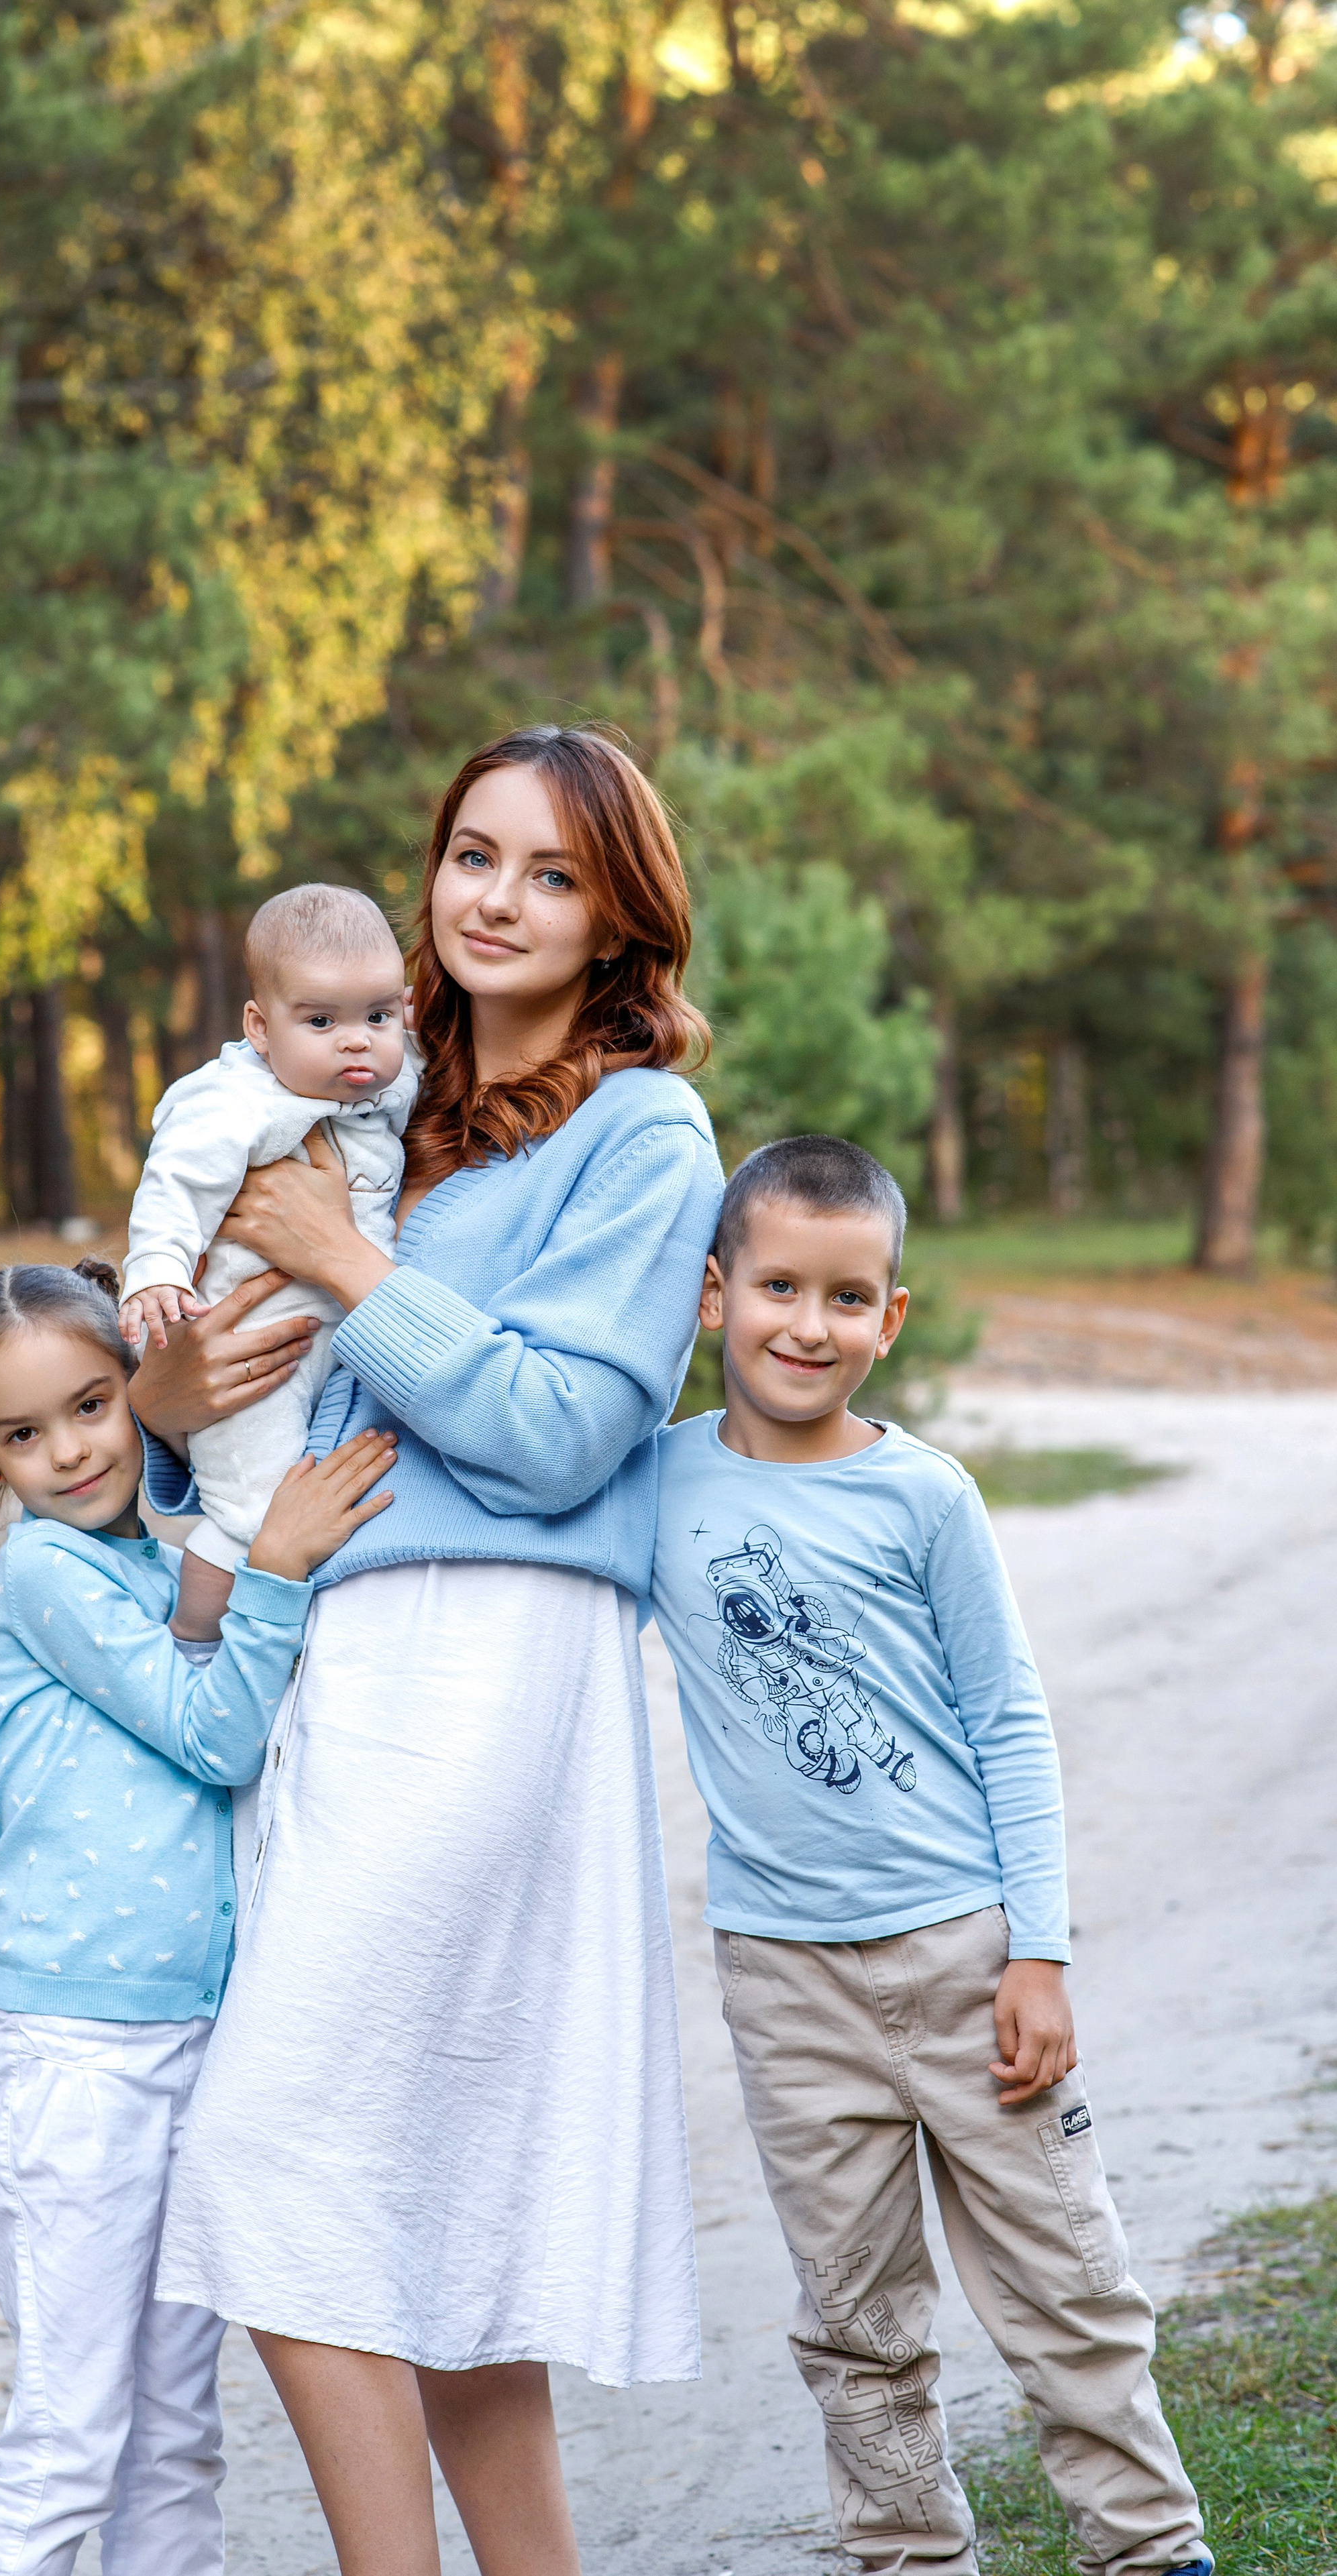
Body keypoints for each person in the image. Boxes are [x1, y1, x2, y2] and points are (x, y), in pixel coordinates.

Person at [125, 724, 725, 2576]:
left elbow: (564, 1431)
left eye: (553, 873)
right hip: (331, 1642)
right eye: (475, 854)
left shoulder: (643, 1133)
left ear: (619, 917)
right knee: (443, 2191)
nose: (499, 899)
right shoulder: (368, 1083)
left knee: (267, 2150)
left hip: (488, 1663)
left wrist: (349, 1262)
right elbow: (243, 1401)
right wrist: (164, 1406)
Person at [650, 1135, 1210, 2576]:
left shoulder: (925, 1496)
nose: (808, 1325)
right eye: (778, 1286)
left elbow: (1008, 1721)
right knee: (855, 2315)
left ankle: (1148, 2547)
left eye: (847, 1297)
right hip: (783, 1979)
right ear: (713, 1296)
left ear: (889, 1318)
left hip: (963, 1954)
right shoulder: (652, 1485)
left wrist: (1040, 1953)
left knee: (1067, 2284)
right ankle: (906, 2553)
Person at [0, 1255, 396, 2576]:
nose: (68, 1451)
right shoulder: (48, 1573)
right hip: (78, 2064)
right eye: (23, 1433)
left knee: (173, 2436)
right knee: (72, 2433)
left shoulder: (152, 1564)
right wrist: (276, 1566)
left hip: (190, 2045)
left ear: (138, 1390)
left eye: (92, 1406)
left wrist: (246, 1558)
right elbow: (216, 1733)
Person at [119, 883, 417, 1644]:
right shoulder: (235, 1102)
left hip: (344, 1336)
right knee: (256, 1511)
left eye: (377, 1016)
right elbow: (177, 1182)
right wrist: (157, 1267)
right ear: (260, 1027)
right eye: (320, 1021)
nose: (356, 1042)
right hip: (253, 1349)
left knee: (319, 1492)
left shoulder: (391, 1079)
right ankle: (196, 1641)